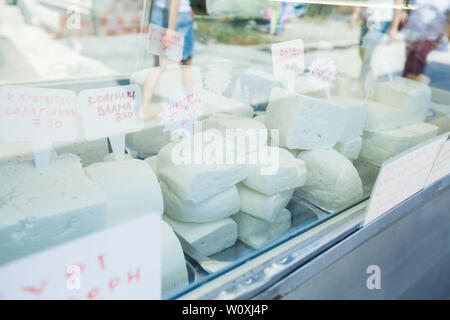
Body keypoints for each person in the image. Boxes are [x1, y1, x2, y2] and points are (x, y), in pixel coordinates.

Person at [141, 0, 195, 119]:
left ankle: (143, 109)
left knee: (158, 65)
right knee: (186, 64)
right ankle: (192, 107)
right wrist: (171, 29)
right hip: (178, 16)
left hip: (159, 12)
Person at [351, 0, 403, 79]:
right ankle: (369, 72)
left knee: (368, 48)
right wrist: (355, 14)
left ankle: (363, 80)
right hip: (367, 18)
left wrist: (394, 27)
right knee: (362, 50)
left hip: (381, 20)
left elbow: (399, 3)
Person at [401, 0, 450, 82]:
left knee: (419, 56)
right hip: (414, 28)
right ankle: (406, 82)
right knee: (410, 57)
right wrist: (405, 11)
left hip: (434, 33)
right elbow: (410, 4)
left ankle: (413, 83)